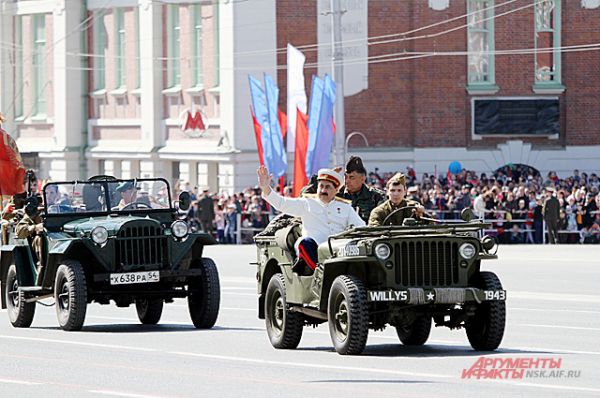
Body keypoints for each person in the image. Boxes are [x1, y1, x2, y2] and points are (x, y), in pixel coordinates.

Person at [258, 165, 365, 275]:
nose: (323, 190)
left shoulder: (345, 207)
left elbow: (361, 227)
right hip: (314, 251)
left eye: (327, 187)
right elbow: (282, 204)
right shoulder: (307, 203)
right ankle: (321, 274)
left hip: (339, 251)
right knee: (305, 243)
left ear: (336, 190)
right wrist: (266, 188)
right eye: (321, 186)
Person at [339, 156, 385, 223]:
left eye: (351, 177)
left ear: (362, 179)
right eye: (345, 177)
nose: (347, 181)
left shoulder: (376, 196)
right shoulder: (337, 195)